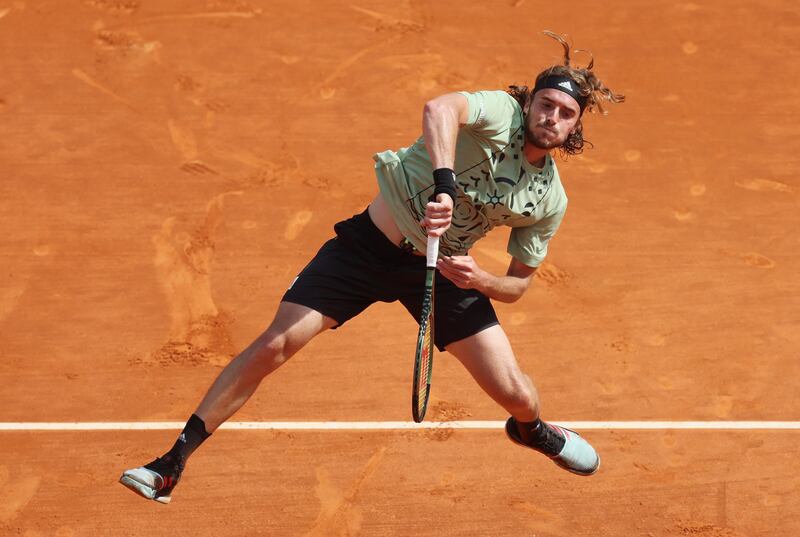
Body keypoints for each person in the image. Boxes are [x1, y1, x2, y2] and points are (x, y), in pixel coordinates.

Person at [119, 31, 624, 504]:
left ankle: (533, 430)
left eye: (566, 112)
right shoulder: (499, 113)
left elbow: (516, 286)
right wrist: (444, 182)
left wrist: (480, 280)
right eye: (546, 104)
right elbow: (441, 107)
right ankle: (172, 461)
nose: (552, 117)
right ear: (528, 102)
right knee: (276, 343)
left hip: (442, 270)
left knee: (515, 393)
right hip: (366, 250)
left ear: (576, 125)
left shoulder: (548, 199)